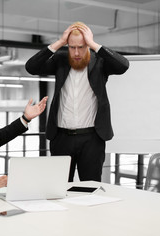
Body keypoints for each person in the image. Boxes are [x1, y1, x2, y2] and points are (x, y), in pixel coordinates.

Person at [25, 21, 129, 182]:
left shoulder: (100, 61)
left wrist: (94, 44)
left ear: (87, 45)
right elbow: (31, 67)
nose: (76, 52)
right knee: (59, 187)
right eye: (72, 47)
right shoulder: (61, 59)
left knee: (91, 188)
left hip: (92, 139)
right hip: (61, 138)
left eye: (81, 46)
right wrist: (59, 42)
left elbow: (123, 66)